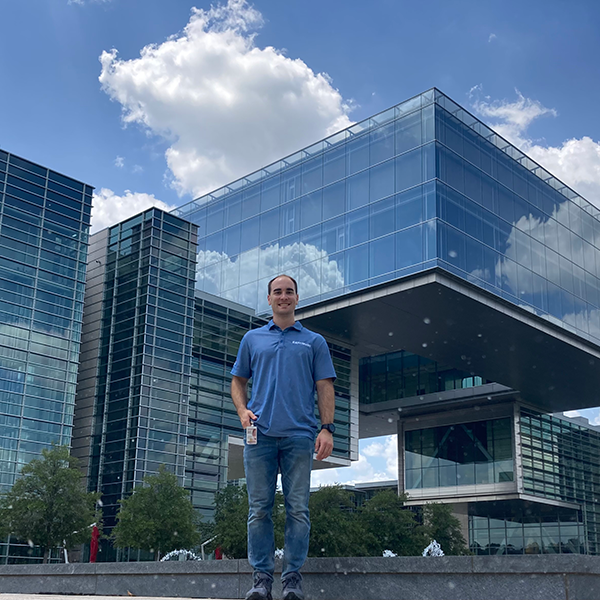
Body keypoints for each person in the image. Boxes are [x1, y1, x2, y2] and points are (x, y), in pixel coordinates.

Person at [231, 274, 336, 600]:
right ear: (269, 299)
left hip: (300, 436)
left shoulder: (314, 341)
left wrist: (327, 427)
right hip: (258, 436)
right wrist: (242, 411)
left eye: (289, 291)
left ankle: (292, 581)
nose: (283, 296)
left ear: (296, 297)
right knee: (258, 509)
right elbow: (238, 381)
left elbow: (325, 387)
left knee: (298, 510)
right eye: (278, 292)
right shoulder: (252, 339)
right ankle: (261, 580)